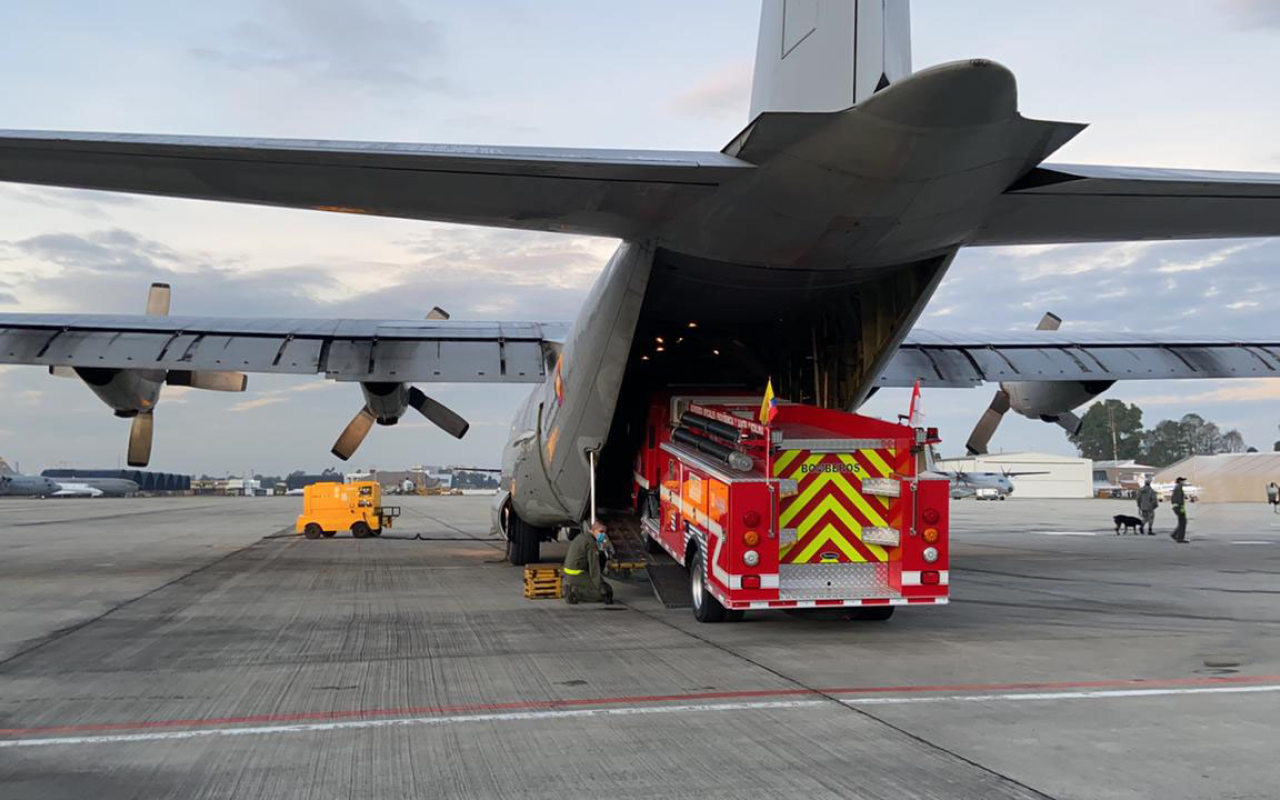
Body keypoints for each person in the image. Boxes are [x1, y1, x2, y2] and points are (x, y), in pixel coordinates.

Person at [564, 522, 614, 604]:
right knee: (601, 594)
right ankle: (574, 592)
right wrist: (600, 585)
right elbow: (594, 568)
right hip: (577, 574)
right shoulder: (591, 543)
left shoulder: (582, 536)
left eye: (605, 532)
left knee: (605, 588)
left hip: (570, 573)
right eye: (601, 531)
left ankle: (574, 588)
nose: (603, 535)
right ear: (593, 530)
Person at [1170, 477, 1188, 543]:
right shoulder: (1178, 488)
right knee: (1183, 522)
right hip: (1179, 507)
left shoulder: (1177, 488)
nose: (1184, 482)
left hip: (1178, 507)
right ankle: (1180, 538)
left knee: (1182, 522)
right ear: (1180, 481)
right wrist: (1181, 508)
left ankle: (1174, 534)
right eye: (1183, 481)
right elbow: (1178, 499)